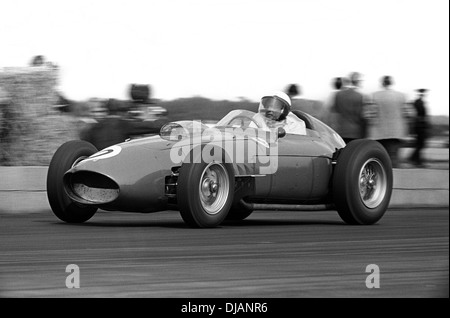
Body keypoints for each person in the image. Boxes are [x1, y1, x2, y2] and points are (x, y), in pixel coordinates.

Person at [79, 98, 166, 150]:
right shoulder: (123, 124)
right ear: (119, 110)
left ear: (106, 110)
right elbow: (147, 127)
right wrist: (166, 125)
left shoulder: (93, 128)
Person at [367, 76, 408, 168]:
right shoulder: (401, 96)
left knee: (380, 158)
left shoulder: (374, 95)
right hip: (396, 132)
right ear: (391, 83)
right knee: (393, 157)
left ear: (382, 83)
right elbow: (407, 113)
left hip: (379, 133)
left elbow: (370, 115)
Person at [332, 72, 367, 143]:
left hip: (341, 130)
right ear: (357, 82)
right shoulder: (359, 96)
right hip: (356, 132)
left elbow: (336, 111)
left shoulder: (338, 95)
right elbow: (361, 115)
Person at [409, 89, 430, 167]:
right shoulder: (418, 102)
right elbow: (419, 115)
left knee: (420, 144)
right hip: (420, 126)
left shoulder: (419, 102)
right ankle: (416, 160)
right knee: (420, 144)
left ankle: (414, 159)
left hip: (419, 125)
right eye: (422, 93)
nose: (423, 94)